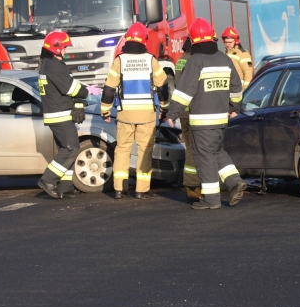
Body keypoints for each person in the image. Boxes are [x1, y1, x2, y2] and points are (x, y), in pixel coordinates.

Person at [166, 18, 247, 210]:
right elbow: (236, 87)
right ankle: (235, 181)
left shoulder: (196, 60)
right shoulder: (224, 59)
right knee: (217, 151)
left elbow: (184, 91)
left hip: (202, 120)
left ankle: (211, 200)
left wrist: (172, 113)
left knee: (205, 157)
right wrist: (235, 107)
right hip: (221, 119)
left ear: (193, 40)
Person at [100, 23, 169, 199]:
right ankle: (141, 190)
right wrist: (164, 108)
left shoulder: (119, 61)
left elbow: (109, 89)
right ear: (144, 40)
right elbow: (162, 86)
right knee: (144, 150)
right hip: (146, 114)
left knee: (122, 150)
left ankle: (119, 189)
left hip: (125, 115)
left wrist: (105, 111)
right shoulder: (150, 60)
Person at [36, 31, 90, 199]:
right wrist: (85, 91)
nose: (66, 51)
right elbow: (71, 89)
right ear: (56, 49)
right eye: (64, 47)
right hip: (60, 114)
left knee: (65, 149)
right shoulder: (54, 66)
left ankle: (65, 187)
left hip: (58, 113)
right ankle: (48, 179)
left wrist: (79, 102)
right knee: (71, 148)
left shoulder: (47, 64)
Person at [174, 38, 202, 202]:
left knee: (190, 147)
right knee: (194, 148)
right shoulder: (194, 60)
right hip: (193, 109)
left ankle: (192, 185)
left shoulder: (180, 61)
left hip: (183, 110)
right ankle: (192, 187)